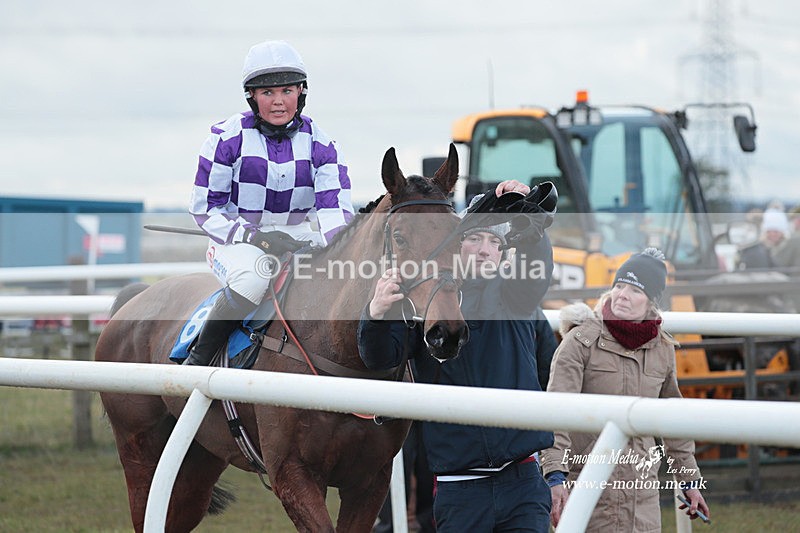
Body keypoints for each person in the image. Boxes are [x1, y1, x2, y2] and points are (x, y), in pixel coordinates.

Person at [358, 179, 555, 532]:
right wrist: (374, 314)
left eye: (495, 242)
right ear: (453, 246)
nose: (484, 250)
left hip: (523, 481)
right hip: (460, 489)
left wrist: (530, 214)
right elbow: (379, 358)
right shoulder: (419, 304)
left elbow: (535, 256)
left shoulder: (516, 295)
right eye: (474, 238)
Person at [184, 40, 354, 366]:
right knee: (253, 278)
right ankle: (199, 360)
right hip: (234, 241)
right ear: (252, 97)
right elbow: (206, 208)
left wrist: (339, 254)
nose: (278, 102)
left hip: (299, 235)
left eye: (287, 91)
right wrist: (254, 237)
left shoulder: (323, 145)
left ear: (301, 93)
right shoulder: (225, 138)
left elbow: (334, 211)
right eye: (268, 93)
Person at [540, 248, 710, 532]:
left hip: (642, 497)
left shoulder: (662, 349)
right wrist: (555, 477)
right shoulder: (579, 342)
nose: (622, 295)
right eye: (619, 286)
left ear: (651, 301)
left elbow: (672, 421)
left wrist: (690, 481)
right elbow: (555, 415)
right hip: (588, 492)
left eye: (634, 290)